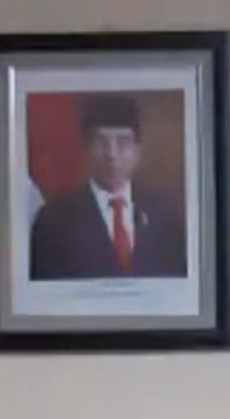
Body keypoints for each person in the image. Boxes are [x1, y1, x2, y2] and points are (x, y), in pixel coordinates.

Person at [29, 94, 189, 281]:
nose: (112, 154)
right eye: (101, 142)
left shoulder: (164, 214)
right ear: (85, 149)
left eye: (123, 142)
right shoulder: (53, 220)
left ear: (138, 151)